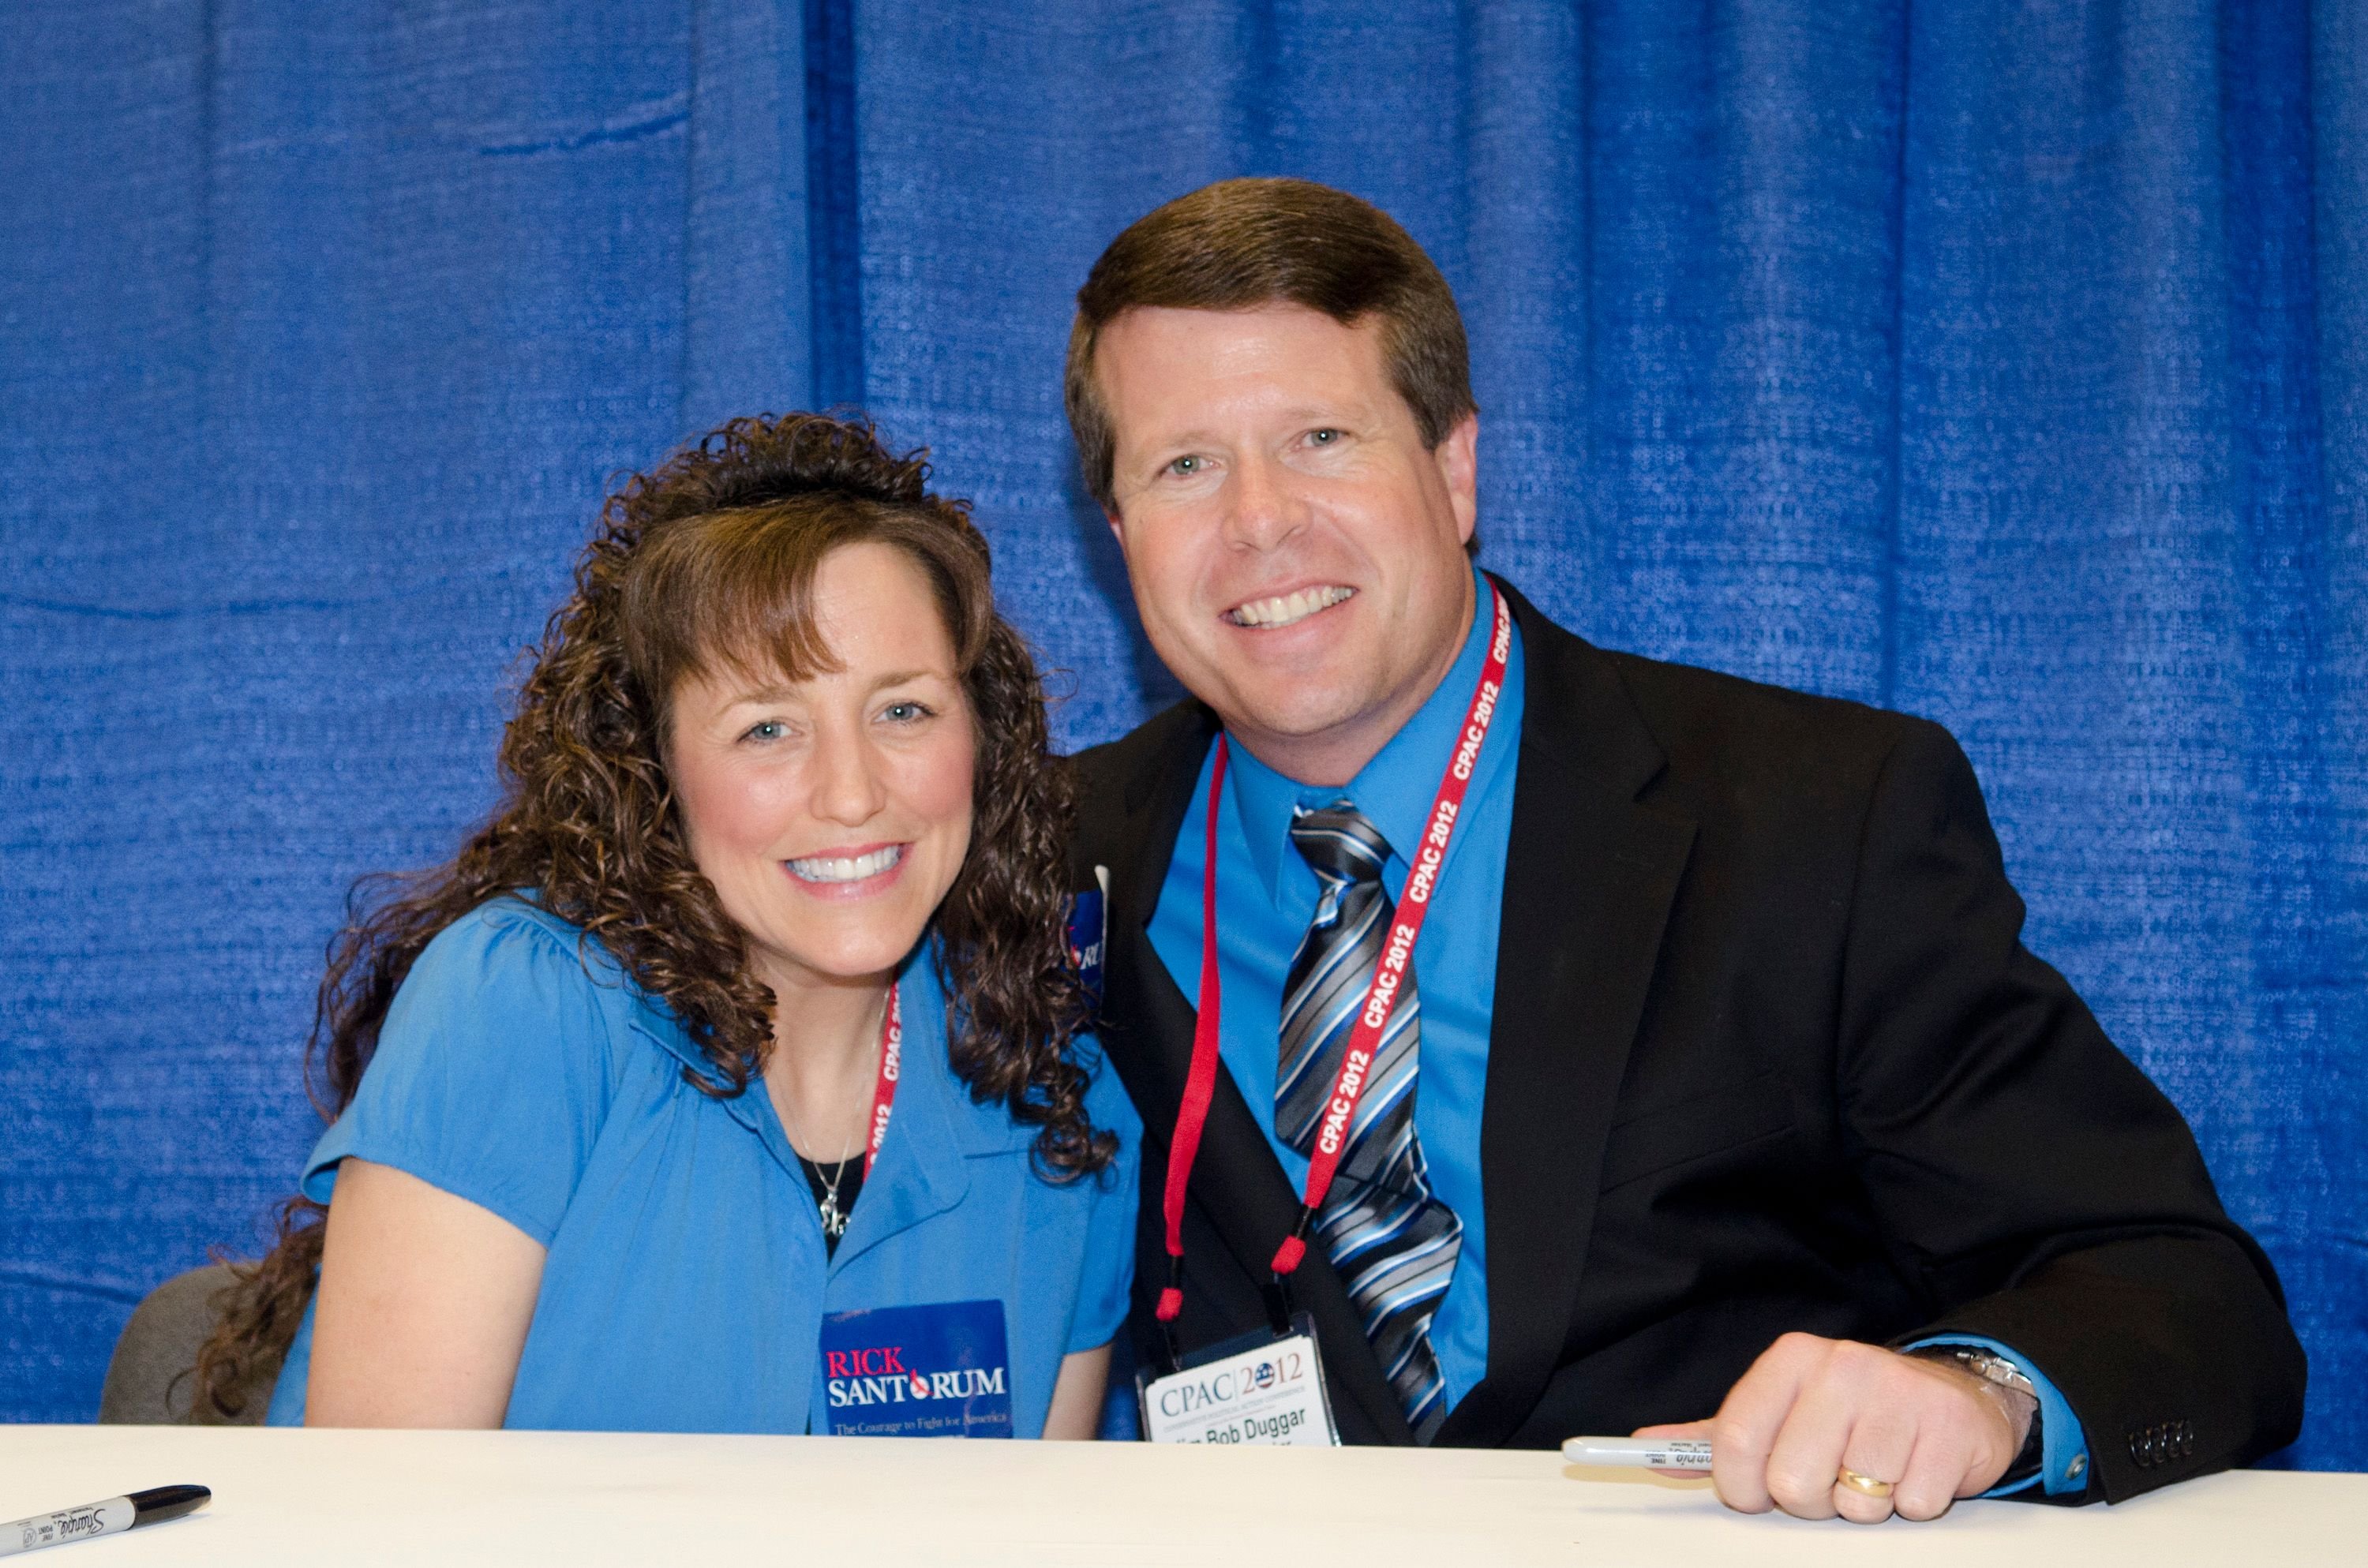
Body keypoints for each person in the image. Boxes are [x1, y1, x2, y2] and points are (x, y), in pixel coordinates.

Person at [1061, 178, 2305, 1517]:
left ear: (1457, 467)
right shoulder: (1046, 860)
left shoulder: (1819, 821)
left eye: (1319, 437)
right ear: (1123, 534)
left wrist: (1979, 1395)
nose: (1258, 521)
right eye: (1185, 464)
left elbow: (2185, 1292)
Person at [193, 413, 1138, 1439]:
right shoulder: (521, 1010)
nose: (853, 791)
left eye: (902, 710)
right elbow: (373, 1536)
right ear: (656, 772)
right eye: (767, 728)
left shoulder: (1063, 1110)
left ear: (983, 735)